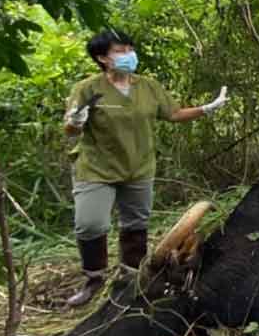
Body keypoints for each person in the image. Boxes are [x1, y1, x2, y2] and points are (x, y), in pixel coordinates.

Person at [61, 30, 230, 307]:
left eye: (130, 49)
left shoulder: (147, 86)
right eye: (120, 51)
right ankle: (93, 280)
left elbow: (173, 113)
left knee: (136, 225)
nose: (128, 55)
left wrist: (207, 108)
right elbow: (69, 130)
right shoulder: (88, 89)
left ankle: (131, 278)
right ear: (102, 58)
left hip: (139, 167)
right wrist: (77, 120)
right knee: (90, 224)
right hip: (96, 169)